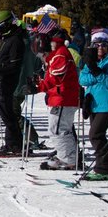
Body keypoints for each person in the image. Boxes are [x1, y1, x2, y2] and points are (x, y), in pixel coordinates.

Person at [78, 31, 108, 180]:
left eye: (104, 45)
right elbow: (83, 79)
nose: (100, 48)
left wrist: (96, 73)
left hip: (107, 104)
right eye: (97, 45)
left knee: (95, 135)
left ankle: (104, 166)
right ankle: (107, 166)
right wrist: (96, 72)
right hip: (94, 104)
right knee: (97, 135)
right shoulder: (91, 61)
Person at [37, 27, 80, 170]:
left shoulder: (61, 55)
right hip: (60, 97)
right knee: (59, 128)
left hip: (63, 98)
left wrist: (39, 86)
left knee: (58, 129)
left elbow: (56, 77)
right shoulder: (58, 55)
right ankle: (67, 156)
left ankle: (68, 159)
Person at [0, 11, 28, 157]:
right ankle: (12, 143)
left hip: (9, 80)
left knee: (8, 113)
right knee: (5, 113)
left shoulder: (15, 40)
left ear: (4, 24)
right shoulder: (7, 38)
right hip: (3, 79)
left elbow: (14, 65)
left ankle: (16, 144)